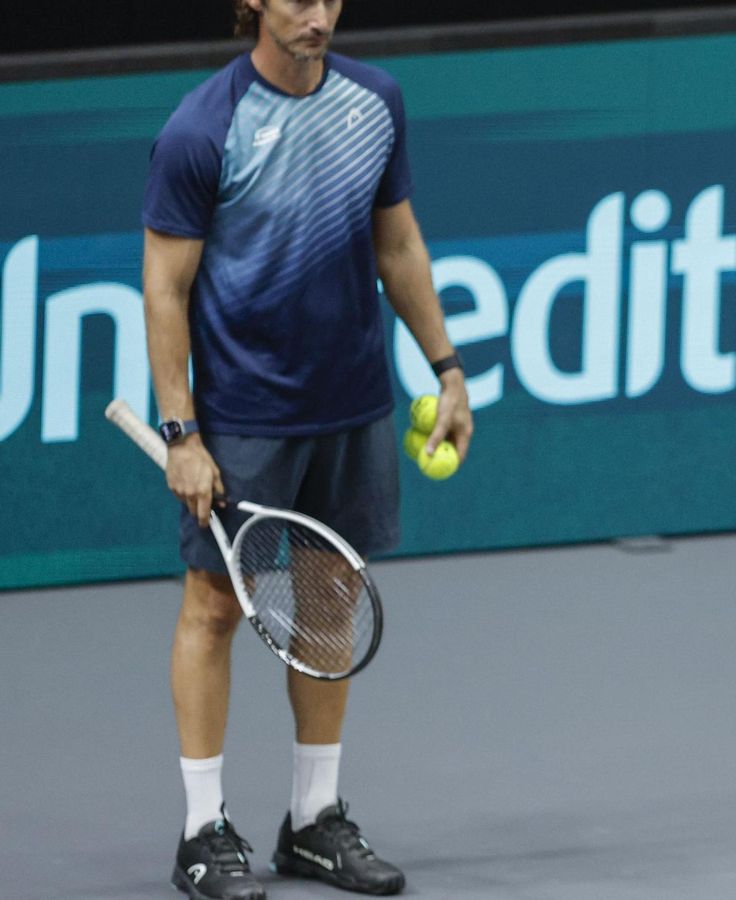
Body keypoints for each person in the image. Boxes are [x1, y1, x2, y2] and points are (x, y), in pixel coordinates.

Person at [142, 1, 471, 897]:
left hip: (353, 404)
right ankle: (202, 832)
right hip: (245, 414)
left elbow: (397, 242)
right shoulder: (201, 130)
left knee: (331, 600)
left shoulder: (376, 101)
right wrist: (182, 432)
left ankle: (313, 821)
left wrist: (446, 369)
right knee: (214, 609)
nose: (317, 15)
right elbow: (165, 289)